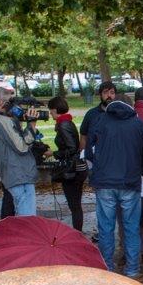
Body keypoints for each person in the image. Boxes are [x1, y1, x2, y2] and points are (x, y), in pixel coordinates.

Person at [89, 97, 143, 277]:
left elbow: (89, 151)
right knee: (131, 228)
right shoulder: (139, 125)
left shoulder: (99, 122)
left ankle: (106, 267)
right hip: (130, 182)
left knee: (105, 228)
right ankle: (132, 269)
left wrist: (99, 167)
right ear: (131, 106)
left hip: (104, 183)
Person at [0, 87, 44, 216]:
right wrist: (32, 124)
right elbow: (21, 146)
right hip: (17, 172)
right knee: (27, 216)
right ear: (0, 103)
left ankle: (18, 235)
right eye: (11, 101)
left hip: (19, 172)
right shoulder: (2, 121)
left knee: (19, 211)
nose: (15, 106)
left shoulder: (1, 119)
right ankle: (24, 236)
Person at [48, 95, 88, 232]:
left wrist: (53, 154)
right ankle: (78, 231)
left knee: (74, 204)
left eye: (51, 111)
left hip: (72, 170)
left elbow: (71, 148)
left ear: (55, 109)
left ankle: (77, 232)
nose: (50, 114)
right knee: (75, 204)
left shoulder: (63, 125)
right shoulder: (67, 122)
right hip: (78, 168)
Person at [80, 80, 118, 156]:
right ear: (100, 95)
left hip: (115, 157)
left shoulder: (119, 113)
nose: (109, 95)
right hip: (94, 158)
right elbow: (83, 136)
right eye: (105, 92)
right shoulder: (91, 114)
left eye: (112, 92)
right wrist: (83, 155)